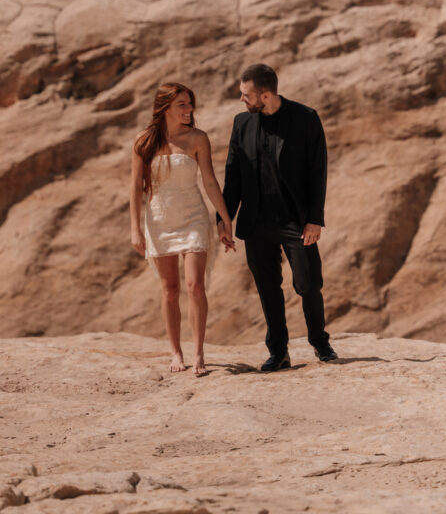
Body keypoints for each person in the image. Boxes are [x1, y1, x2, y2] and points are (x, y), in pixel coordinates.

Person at [218, 63, 337, 371]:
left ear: (266, 95)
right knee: (268, 287)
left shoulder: (305, 118)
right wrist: (224, 219)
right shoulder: (242, 123)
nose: (242, 100)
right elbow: (233, 177)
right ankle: (278, 352)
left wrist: (315, 218)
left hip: (295, 222)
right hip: (256, 223)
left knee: (308, 283)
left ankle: (320, 344)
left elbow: (317, 171)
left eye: (246, 95)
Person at [130, 81, 234, 375]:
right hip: (159, 221)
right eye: (183, 105)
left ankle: (198, 353)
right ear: (165, 108)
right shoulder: (143, 141)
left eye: (190, 104)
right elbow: (136, 188)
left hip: (194, 219)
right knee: (170, 290)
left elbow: (210, 181)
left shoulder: (198, 138)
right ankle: (176, 352)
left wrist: (224, 219)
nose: (189, 110)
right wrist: (135, 229)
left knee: (195, 287)